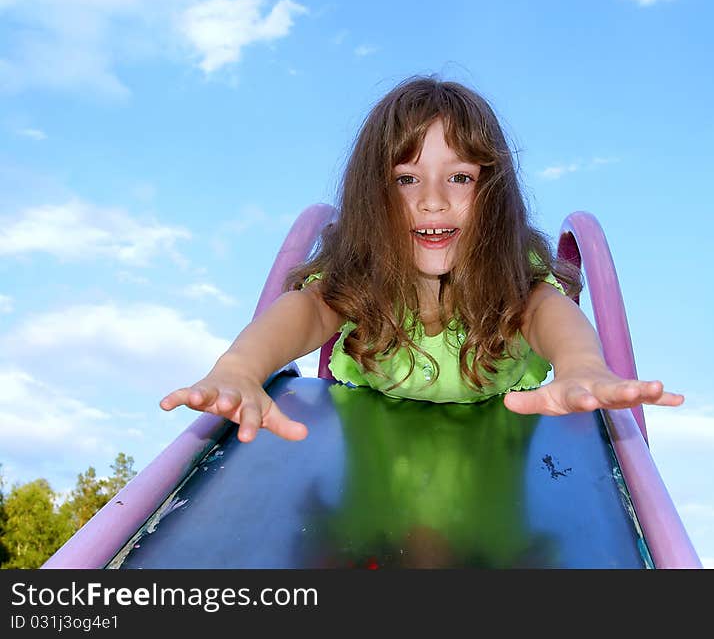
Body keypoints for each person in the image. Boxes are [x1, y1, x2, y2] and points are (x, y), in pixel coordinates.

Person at [160, 75, 684, 443]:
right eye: (405, 179)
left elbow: (546, 310)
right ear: (373, 195)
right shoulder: (364, 271)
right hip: (374, 443)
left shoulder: (506, 269)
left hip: (501, 445)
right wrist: (239, 368)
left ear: (493, 192)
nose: (432, 200)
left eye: (460, 177)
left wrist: (582, 366)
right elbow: (307, 310)